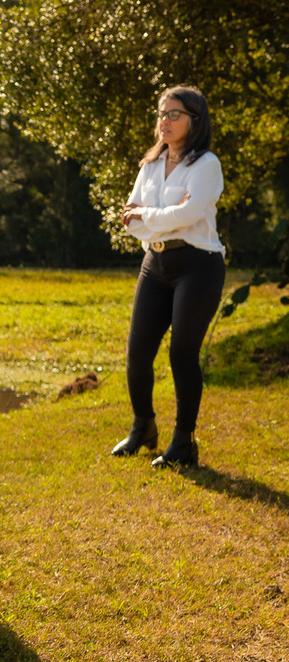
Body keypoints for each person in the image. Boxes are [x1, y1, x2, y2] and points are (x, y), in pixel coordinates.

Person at [113, 85, 225, 468]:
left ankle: (183, 443)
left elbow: (188, 216)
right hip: (155, 264)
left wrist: (149, 215)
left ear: (195, 120)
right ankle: (143, 427)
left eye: (174, 114)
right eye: (162, 113)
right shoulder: (149, 165)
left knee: (182, 354)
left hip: (198, 266)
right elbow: (131, 222)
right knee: (137, 354)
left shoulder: (206, 165)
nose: (165, 120)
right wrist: (157, 218)